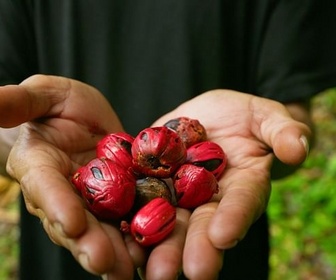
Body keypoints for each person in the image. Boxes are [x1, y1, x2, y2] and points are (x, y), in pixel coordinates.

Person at [0, 1, 335, 279]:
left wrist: (268, 139)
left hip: (223, 248)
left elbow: (290, 102)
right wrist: (23, 143)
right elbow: (6, 124)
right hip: (64, 255)